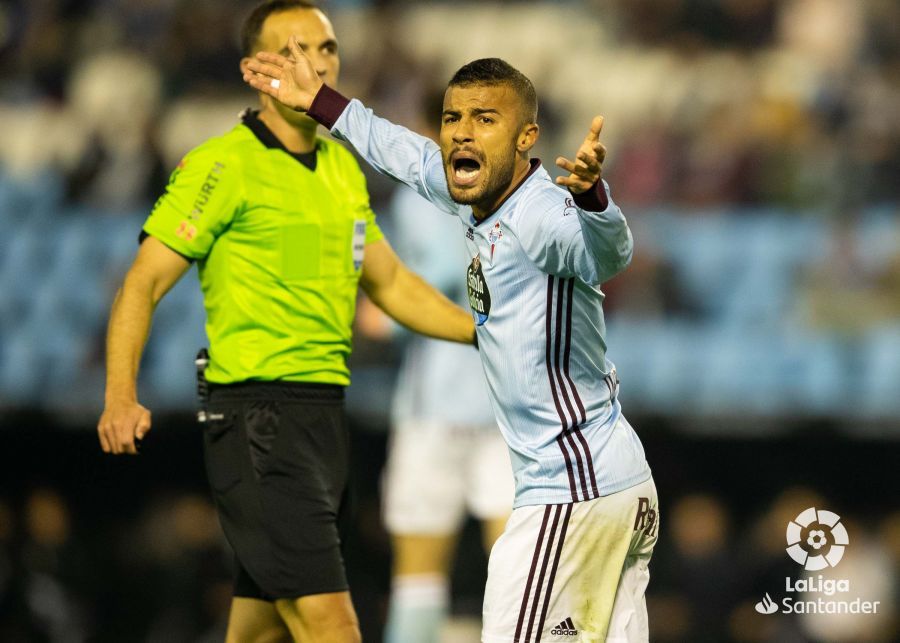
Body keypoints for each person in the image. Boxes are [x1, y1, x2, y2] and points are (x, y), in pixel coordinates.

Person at [245, 45, 660, 642]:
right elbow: (402, 153)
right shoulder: (477, 196)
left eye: (485, 119)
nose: (462, 132)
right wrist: (321, 103)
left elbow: (607, 255)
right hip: (610, 481)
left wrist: (594, 200)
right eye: (452, 118)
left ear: (526, 137)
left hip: (572, 491)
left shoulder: (540, 215)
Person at [96, 2, 474, 642]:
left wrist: (482, 333)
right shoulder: (223, 165)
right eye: (294, 48)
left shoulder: (341, 167)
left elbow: (391, 284)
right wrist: (119, 394)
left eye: (326, 49)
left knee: (262, 627)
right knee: (331, 624)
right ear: (255, 68)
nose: (315, 63)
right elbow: (143, 281)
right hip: (258, 418)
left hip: (324, 419)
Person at [362, 93, 515, 643]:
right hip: (508, 401)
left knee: (419, 573)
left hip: (438, 405)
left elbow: (437, 275)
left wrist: (381, 317)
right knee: (518, 567)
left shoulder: (420, 198)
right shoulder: (528, 193)